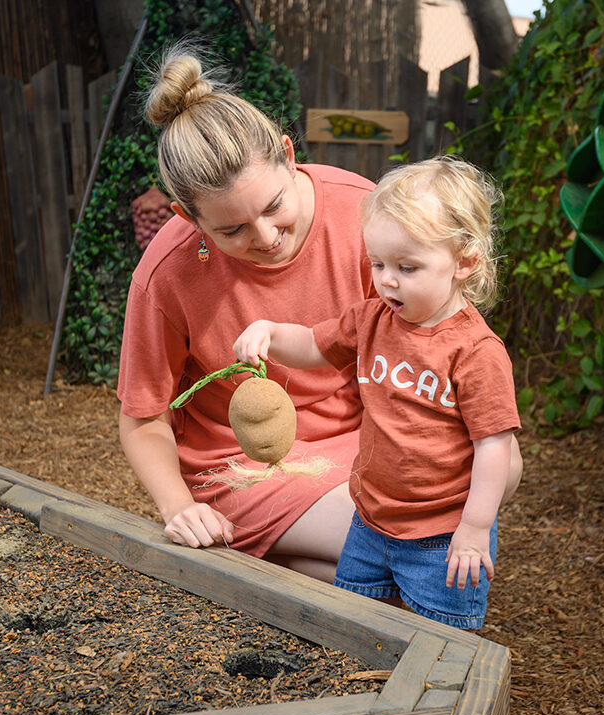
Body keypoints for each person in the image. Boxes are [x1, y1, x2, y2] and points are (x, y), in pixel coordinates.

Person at [117, 43, 379, 582]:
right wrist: (177, 508)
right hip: (238, 468)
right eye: (231, 229)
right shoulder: (166, 273)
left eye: (274, 206)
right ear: (186, 217)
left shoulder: (365, 216)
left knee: (445, 521)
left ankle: (265, 566)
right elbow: (142, 418)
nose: (265, 238)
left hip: (358, 441)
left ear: (288, 153)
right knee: (399, 544)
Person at [233, 156, 522, 628]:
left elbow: (493, 447)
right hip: (370, 518)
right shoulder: (372, 322)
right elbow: (311, 344)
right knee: (353, 622)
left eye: (407, 267)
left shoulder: (476, 352)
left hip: (442, 532)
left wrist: (475, 526)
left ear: (465, 262)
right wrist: (268, 331)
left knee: (441, 638)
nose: (387, 279)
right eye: (378, 263)